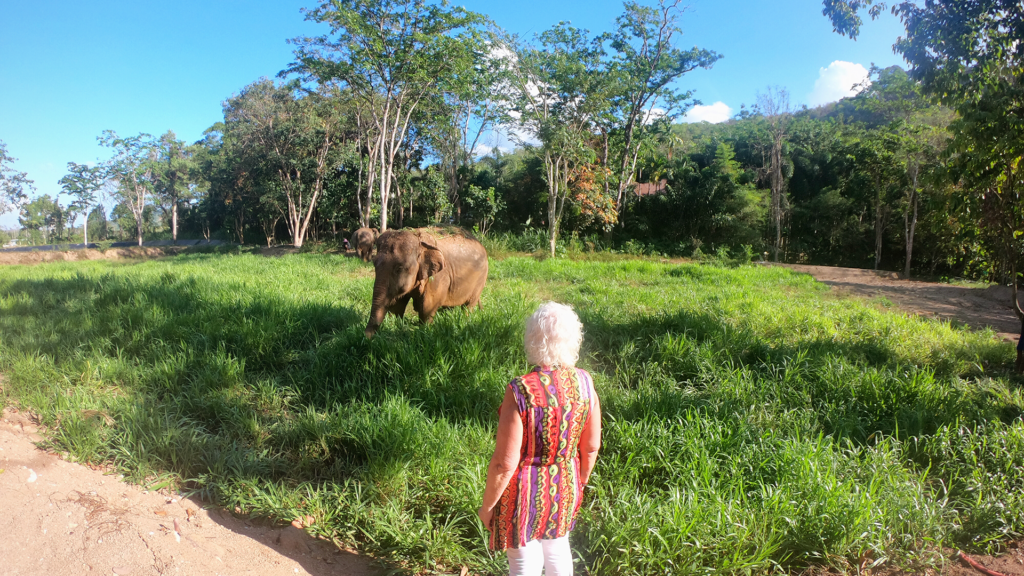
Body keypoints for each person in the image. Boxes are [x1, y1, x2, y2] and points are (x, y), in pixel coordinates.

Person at [478, 302, 602, 576]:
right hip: (565, 485)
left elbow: (504, 464)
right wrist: (578, 482)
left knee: (524, 561)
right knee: (558, 549)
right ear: (573, 340)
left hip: (522, 493)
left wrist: (487, 507)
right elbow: (591, 447)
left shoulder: (521, 390)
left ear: (532, 339)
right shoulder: (584, 382)